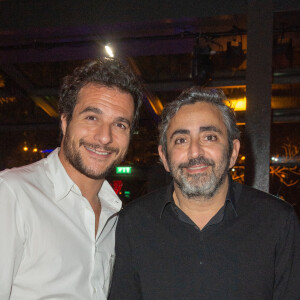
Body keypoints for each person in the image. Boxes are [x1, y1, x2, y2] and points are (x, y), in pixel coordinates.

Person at [109, 87, 300, 300]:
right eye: (181, 140)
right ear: (164, 156)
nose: (195, 152)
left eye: (209, 137)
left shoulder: (277, 221)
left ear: (233, 152)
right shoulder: (133, 223)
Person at [0, 57, 143, 300]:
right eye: (91, 117)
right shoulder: (13, 194)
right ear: (65, 121)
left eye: (120, 124)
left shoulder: (116, 216)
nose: (105, 137)